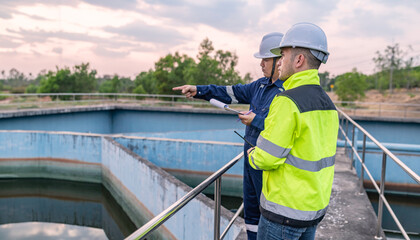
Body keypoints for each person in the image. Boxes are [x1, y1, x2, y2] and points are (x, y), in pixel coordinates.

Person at [173, 32, 284, 240]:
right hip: (251, 163)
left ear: (280, 61)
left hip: (268, 167)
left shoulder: (286, 93)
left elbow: (284, 128)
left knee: (268, 215)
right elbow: (228, 92)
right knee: (251, 213)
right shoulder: (259, 86)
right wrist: (198, 90)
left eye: (265, 60)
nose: (261, 64)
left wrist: (256, 121)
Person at [248, 22, 339, 240]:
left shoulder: (287, 101)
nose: (279, 62)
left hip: (284, 212)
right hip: (312, 210)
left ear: (298, 60)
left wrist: (253, 156)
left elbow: (268, 157)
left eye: (283, 55)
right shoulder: (328, 104)